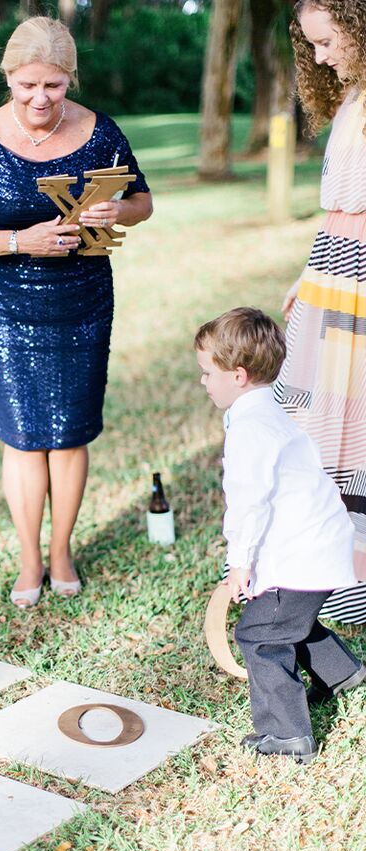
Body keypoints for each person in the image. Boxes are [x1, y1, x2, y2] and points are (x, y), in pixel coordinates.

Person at [0, 16, 153, 608]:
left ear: (69, 80)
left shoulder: (100, 130)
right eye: (27, 85)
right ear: (8, 77)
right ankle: (29, 558)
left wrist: (119, 213)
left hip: (84, 298)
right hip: (8, 304)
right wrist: (20, 242)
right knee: (23, 435)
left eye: (54, 86)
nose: (40, 98)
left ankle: (62, 550)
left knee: (70, 433)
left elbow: (143, 199)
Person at [195, 308, 364, 764]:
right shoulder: (270, 410)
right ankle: (343, 674)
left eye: (208, 373)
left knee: (262, 634)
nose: (204, 382)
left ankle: (286, 735)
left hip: (302, 551)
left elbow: (249, 501)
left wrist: (241, 562)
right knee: (294, 620)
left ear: (238, 374)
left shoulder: (250, 428)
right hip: (319, 541)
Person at [276, 0, 366, 623]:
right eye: (312, 45)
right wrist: (309, 274)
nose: (322, 56)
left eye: (330, 40)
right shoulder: (351, 100)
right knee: (317, 419)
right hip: (333, 276)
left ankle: (354, 579)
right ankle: (327, 570)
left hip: (360, 284)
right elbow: (340, 213)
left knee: (354, 420)